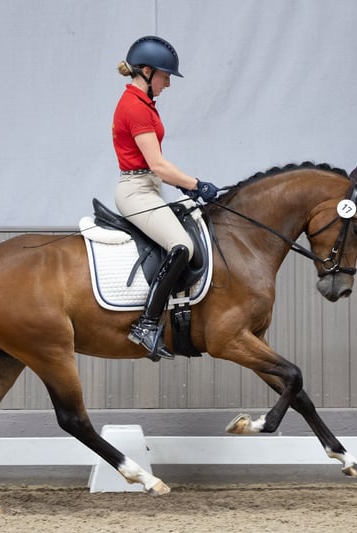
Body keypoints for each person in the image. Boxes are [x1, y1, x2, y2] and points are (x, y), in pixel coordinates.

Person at [112, 35, 220, 361]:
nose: (168, 84)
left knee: (196, 219)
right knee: (182, 246)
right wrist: (195, 183)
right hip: (136, 192)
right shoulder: (134, 107)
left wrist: (186, 187)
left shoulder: (144, 104)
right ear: (147, 71)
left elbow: (157, 166)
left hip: (150, 186)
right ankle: (146, 324)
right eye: (165, 76)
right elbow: (157, 164)